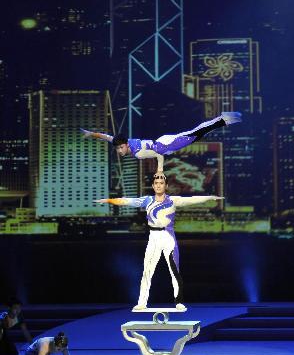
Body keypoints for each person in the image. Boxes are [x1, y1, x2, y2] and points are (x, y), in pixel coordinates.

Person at [96, 173, 223, 311]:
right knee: (147, 271)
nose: (158, 185)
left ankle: (179, 302)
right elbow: (126, 201)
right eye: (156, 183)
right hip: (153, 237)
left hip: (168, 237)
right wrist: (108, 200)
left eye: (161, 183)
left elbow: (192, 199)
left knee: (174, 271)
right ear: (152, 186)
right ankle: (142, 302)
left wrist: (210, 197)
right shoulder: (147, 200)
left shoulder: (173, 200)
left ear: (166, 186)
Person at [82, 111, 242, 172]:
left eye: (120, 148)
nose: (119, 151)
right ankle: (223, 120)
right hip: (163, 141)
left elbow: (159, 155)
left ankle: (224, 119)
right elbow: (107, 137)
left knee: (197, 133)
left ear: (125, 145)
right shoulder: (126, 142)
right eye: (118, 149)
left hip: (168, 145)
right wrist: (91, 134)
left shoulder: (138, 154)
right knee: (197, 134)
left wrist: (159, 171)